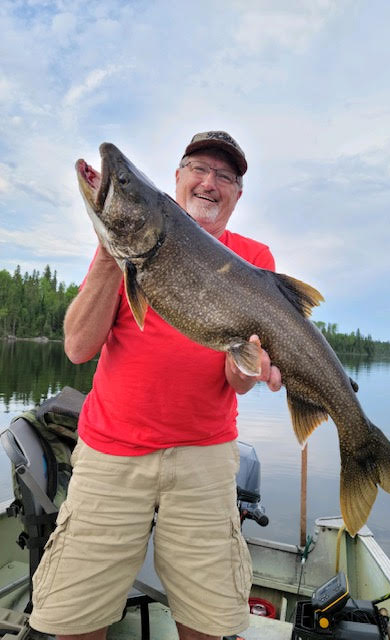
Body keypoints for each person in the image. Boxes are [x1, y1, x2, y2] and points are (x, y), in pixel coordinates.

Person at [29, 131, 282, 640]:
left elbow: (239, 378)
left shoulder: (254, 257)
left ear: (237, 194)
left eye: (225, 176)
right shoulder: (129, 252)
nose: (210, 183)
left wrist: (252, 366)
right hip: (111, 454)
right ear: (177, 180)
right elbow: (79, 347)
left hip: (205, 460)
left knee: (209, 623)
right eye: (198, 169)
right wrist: (110, 249)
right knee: (74, 619)